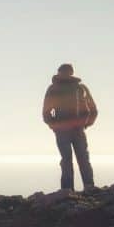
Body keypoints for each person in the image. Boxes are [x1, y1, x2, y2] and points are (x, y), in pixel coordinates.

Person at [42, 63, 98, 191]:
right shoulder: (54, 89)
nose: (66, 74)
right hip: (64, 131)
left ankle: (87, 188)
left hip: (76, 130)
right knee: (71, 160)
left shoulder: (80, 88)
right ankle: (70, 190)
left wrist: (87, 123)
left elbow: (93, 109)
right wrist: (54, 126)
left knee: (81, 159)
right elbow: (46, 111)